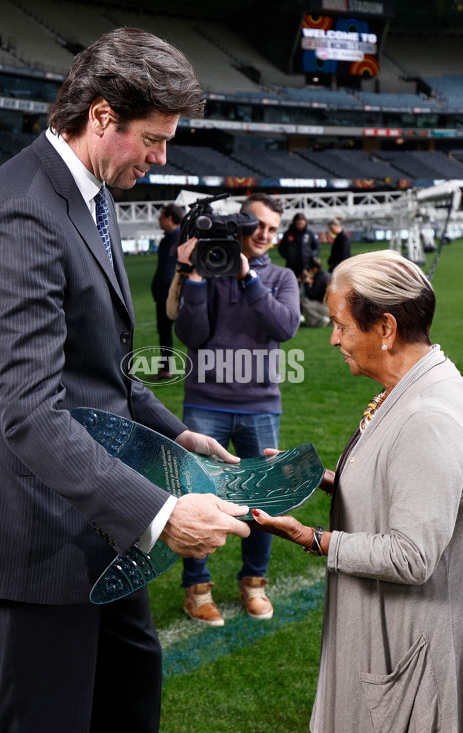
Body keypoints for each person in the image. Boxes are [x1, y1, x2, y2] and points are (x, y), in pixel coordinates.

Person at [0, 28, 252, 733]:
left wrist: (179, 433)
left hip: (102, 517)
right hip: (39, 530)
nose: (163, 157)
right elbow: (29, 413)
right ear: (102, 116)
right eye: (154, 138)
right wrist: (165, 514)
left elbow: (98, 366)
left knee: (130, 698)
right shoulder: (23, 209)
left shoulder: (91, 190)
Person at [252, 249, 463, 732]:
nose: (333, 339)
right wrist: (323, 480)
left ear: (387, 329)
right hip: (409, 645)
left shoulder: (427, 419)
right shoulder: (419, 388)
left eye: (341, 325)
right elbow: (410, 489)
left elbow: (410, 555)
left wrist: (311, 538)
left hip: (415, 658)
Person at [174, 192, 301, 626]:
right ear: (241, 226)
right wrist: (192, 278)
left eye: (272, 229)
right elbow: (191, 334)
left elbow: (284, 327)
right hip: (204, 400)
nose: (265, 235)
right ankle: (198, 589)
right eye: (258, 226)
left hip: (259, 405)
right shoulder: (208, 271)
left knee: (259, 501)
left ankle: (254, 583)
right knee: (198, 497)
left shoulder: (282, 277)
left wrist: (248, 278)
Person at [150, 203, 184, 380]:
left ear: (170, 218)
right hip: (162, 295)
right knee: (163, 331)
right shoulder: (166, 240)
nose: (159, 219)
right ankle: (166, 369)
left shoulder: (182, 238)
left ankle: (206, 369)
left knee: (190, 331)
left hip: (178, 295)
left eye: (162, 216)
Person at [278, 212, 320, 281]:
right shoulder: (288, 233)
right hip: (291, 266)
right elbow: (281, 248)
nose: (300, 226)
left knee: (307, 286)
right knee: (292, 283)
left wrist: (311, 255)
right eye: (298, 224)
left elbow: (317, 247)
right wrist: (288, 256)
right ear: (294, 223)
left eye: (302, 224)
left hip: (306, 266)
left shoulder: (309, 233)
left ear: (305, 223)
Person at [300, 256, 331, 328]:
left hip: (328, 309)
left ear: (314, 268)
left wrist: (306, 283)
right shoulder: (326, 274)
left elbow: (311, 295)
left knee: (305, 303)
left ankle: (320, 320)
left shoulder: (320, 277)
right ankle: (319, 321)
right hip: (334, 308)